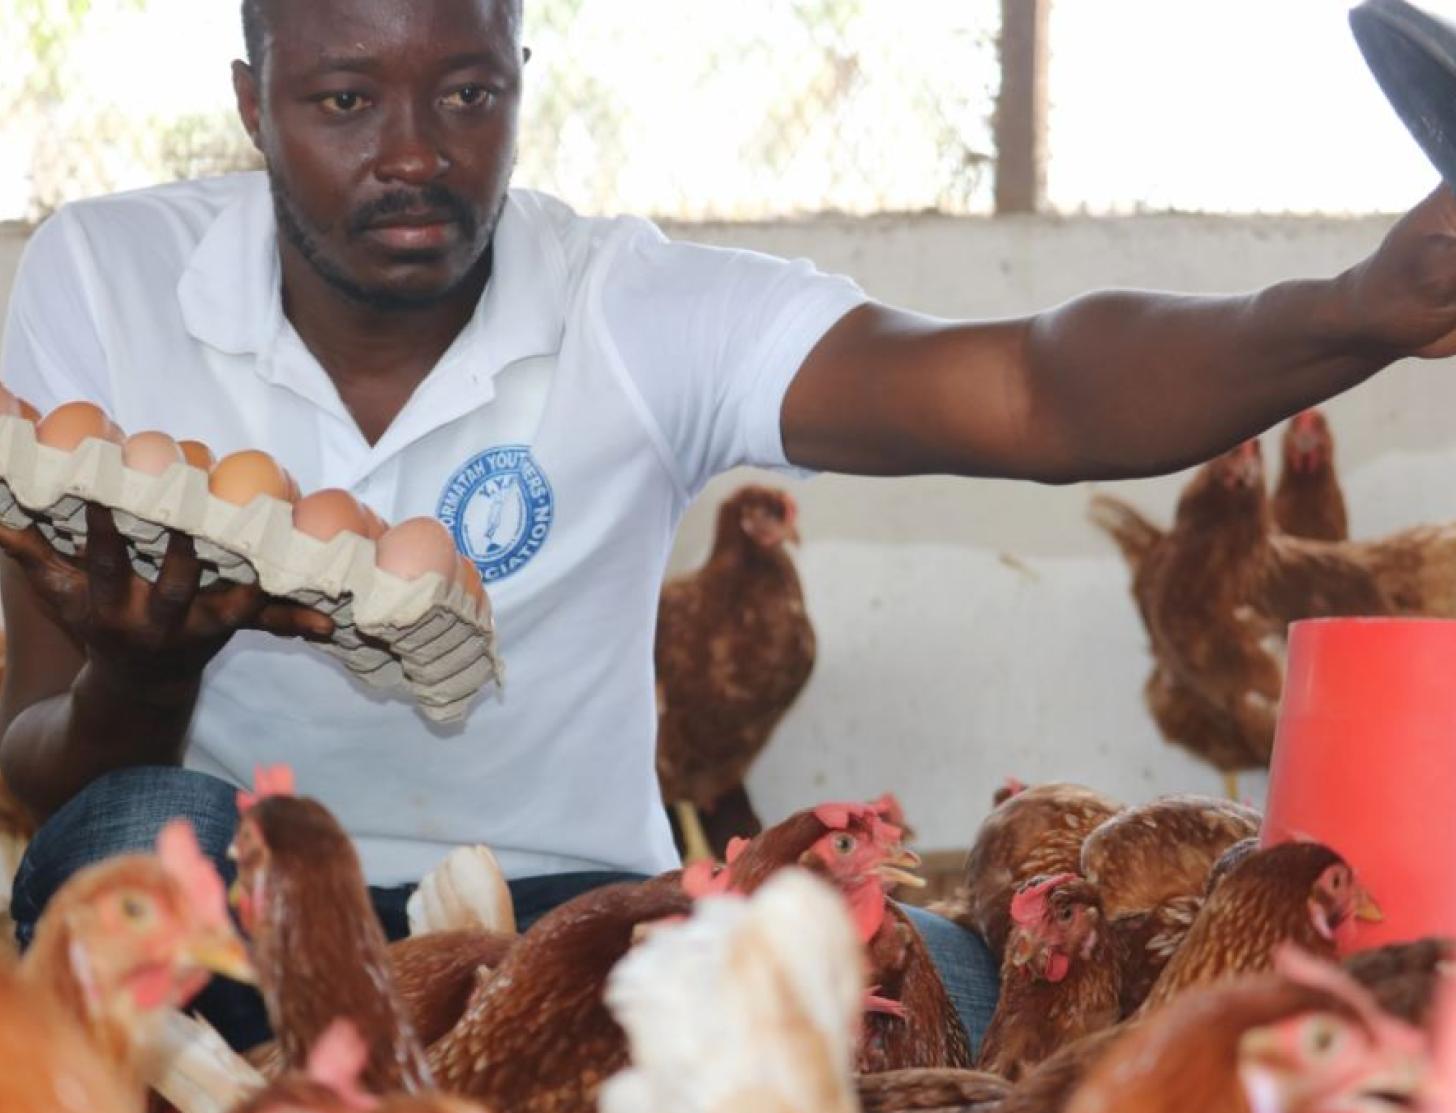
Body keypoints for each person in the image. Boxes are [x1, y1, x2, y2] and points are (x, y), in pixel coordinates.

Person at [3, 0, 1456, 1054]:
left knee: (931, 970)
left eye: (467, 93)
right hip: (240, 930)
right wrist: (144, 682)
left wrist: (1354, 309)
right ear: (252, 102)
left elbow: (1030, 387)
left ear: (521, 79)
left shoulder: (624, 309)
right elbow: (27, 759)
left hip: (559, 933)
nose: (416, 154)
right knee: (130, 829)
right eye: (341, 101)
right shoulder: (110, 289)